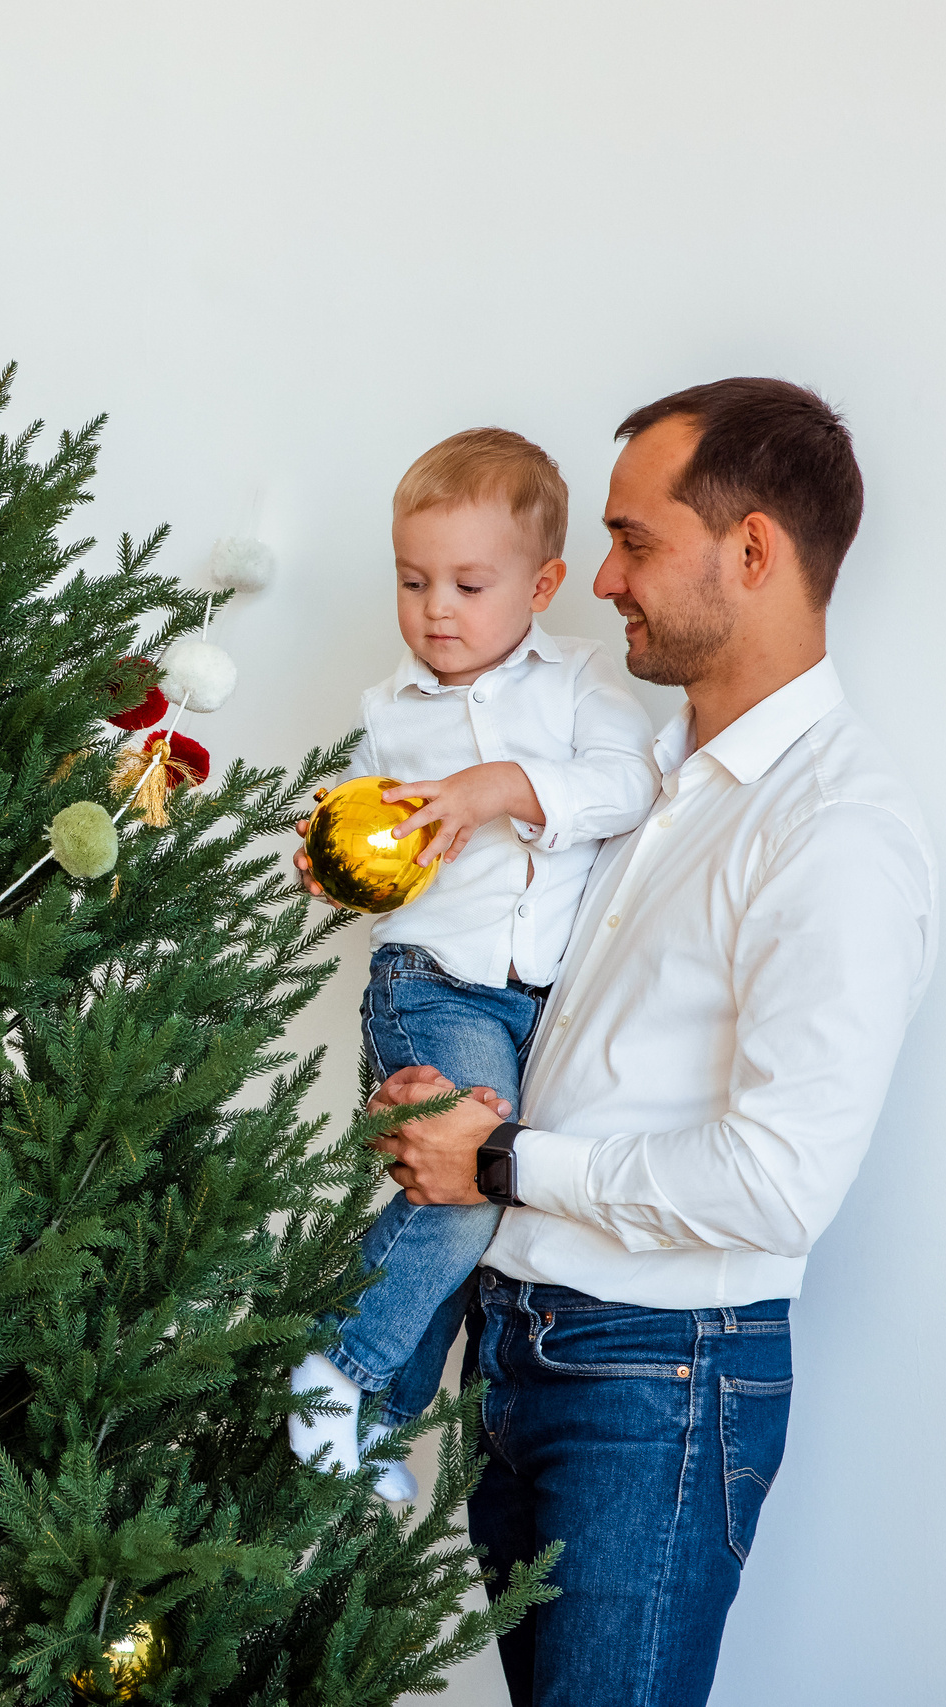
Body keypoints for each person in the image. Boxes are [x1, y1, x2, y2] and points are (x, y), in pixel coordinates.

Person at [365, 379, 937, 1706]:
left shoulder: (835, 831)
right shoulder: (634, 770)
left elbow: (779, 1177)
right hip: (524, 1344)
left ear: (751, 552)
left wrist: (500, 1160)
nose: (605, 580)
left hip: (656, 1380)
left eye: (635, 541)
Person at [286, 429, 656, 1501]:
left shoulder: (579, 682)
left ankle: (367, 1426)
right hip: (431, 986)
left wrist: (499, 785)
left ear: (541, 585)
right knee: (469, 1182)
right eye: (412, 581)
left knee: (476, 1205)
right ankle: (335, 1370)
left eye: (466, 584)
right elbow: (338, 817)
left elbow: (631, 786)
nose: (435, 610)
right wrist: (325, 857)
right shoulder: (388, 714)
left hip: (542, 1006)